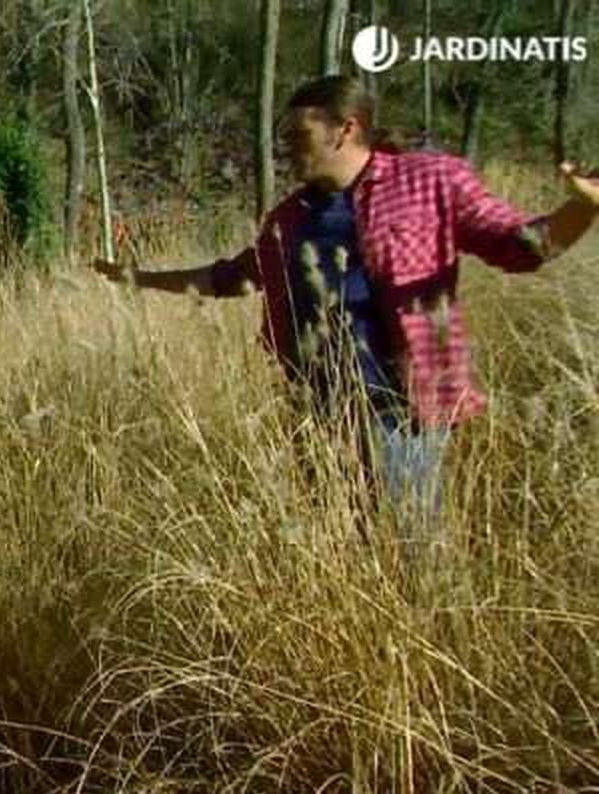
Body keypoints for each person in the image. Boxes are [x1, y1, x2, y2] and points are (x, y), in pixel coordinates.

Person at [93, 74, 599, 525]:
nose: (287, 148)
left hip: (402, 412)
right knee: (339, 552)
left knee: (408, 549)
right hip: (316, 414)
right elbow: (233, 276)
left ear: (346, 129)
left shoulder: (429, 182)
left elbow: (520, 246)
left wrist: (581, 208)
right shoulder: (289, 217)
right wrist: (141, 279)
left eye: (299, 136)